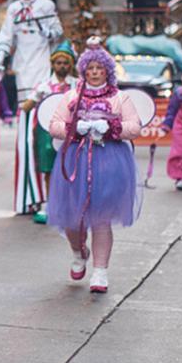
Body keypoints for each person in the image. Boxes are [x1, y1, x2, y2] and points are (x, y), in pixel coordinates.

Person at [46, 39, 142, 294]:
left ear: (107, 71)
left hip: (109, 164)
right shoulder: (71, 97)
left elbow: (135, 127)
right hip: (75, 161)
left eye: (100, 68)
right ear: (84, 70)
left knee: (101, 220)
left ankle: (100, 271)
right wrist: (73, 129)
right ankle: (79, 252)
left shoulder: (120, 98)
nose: (95, 72)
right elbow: (54, 125)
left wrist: (111, 128)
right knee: (71, 220)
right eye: (90, 68)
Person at [0, 0, 63, 213]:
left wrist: (49, 30)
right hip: (22, 72)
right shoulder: (14, 8)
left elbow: (57, 31)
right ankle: (28, 196)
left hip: (42, 71)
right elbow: (6, 34)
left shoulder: (45, 6)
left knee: (43, 136)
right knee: (25, 137)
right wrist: (1, 54)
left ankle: (48, 195)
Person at [18, 40, 77, 222]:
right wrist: (30, 102)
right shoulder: (43, 86)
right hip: (46, 133)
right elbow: (26, 107)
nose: (62, 66)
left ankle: (69, 205)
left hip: (70, 133)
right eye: (58, 63)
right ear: (53, 64)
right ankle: (50, 205)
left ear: (71, 65)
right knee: (48, 169)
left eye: (65, 63)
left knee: (71, 168)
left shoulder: (77, 85)